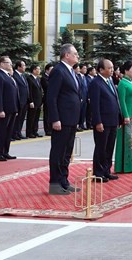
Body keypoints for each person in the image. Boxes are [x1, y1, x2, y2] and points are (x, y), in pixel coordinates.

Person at [47, 44, 83, 195]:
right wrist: (55, 119)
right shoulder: (58, 71)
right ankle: (55, 183)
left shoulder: (70, 71)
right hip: (61, 119)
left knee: (67, 152)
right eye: (75, 53)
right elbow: (51, 97)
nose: (77, 56)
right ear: (66, 55)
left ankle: (64, 181)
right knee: (58, 151)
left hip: (71, 118)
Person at [89, 59, 121, 182]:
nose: (112, 70)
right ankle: (98, 173)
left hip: (112, 120)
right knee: (100, 148)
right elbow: (95, 105)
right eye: (109, 68)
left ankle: (106, 170)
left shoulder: (110, 81)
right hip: (103, 121)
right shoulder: (96, 83)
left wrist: (118, 119)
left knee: (109, 147)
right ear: (101, 70)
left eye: (112, 67)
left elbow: (115, 100)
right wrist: (98, 122)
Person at [115, 61, 132, 174]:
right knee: (128, 140)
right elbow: (122, 101)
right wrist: (125, 116)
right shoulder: (123, 83)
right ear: (126, 71)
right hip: (128, 116)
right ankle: (126, 165)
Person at [0, 56, 20, 161]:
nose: (10, 65)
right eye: (8, 63)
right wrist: (0, 109)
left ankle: (5, 151)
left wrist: (16, 108)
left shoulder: (8, 76)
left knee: (8, 132)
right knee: (1, 131)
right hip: (4, 109)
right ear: (2, 64)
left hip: (12, 108)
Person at [11, 60, 29, 141]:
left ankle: (18, 132)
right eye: (23, 65)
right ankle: (13, 133)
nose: (25, 67)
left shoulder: (23, 76)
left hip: (24, 100)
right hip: (18, 100)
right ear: (18, 67)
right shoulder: (14, 75)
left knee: (21, 118)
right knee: (16, 119)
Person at [26, 64, 44, 138]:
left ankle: (35, 131)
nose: (39, 71)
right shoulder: (29, 79)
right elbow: (29, 91)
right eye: (38, 69)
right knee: (31, 118)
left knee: (36, 118)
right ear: (34, 70)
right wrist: (30, 101)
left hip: (38, 101)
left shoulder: (38, 79)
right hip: (33, 101)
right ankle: (29, 132)